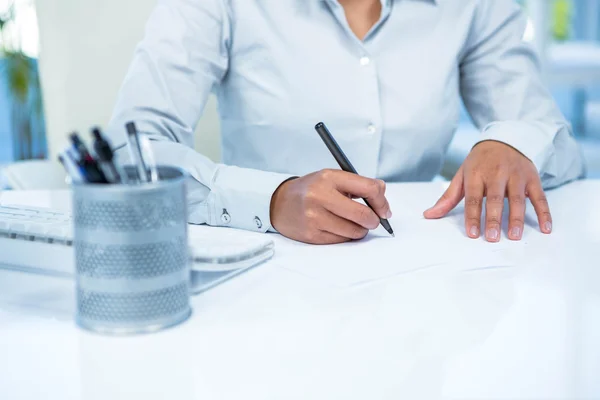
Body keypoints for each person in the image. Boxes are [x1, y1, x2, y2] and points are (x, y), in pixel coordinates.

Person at [108, 0, 585, 244]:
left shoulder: (473, 6)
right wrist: (270, 199)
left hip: (424, 287)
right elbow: (129, 155)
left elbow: (562, 151)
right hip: (268, 290)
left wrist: (511, 142)